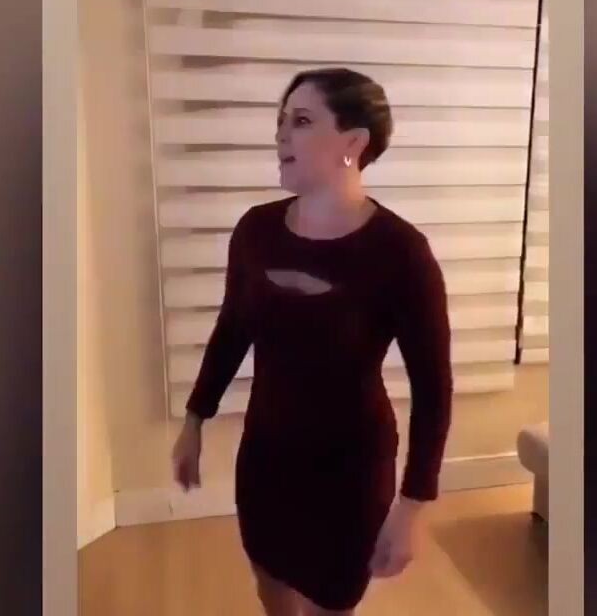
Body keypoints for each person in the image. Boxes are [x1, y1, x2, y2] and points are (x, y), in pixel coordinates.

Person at [170, 67, 454, 615]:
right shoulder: (255, 231)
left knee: (332, 603)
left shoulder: (401, 253)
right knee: (270, 586)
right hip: (265, 458)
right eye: (280, 121)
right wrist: (194, 421)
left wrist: (413, 506)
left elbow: (433, 389)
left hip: (350, 471)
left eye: (301, 121)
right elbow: (231, 330)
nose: (281, 134)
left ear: (353, 143)